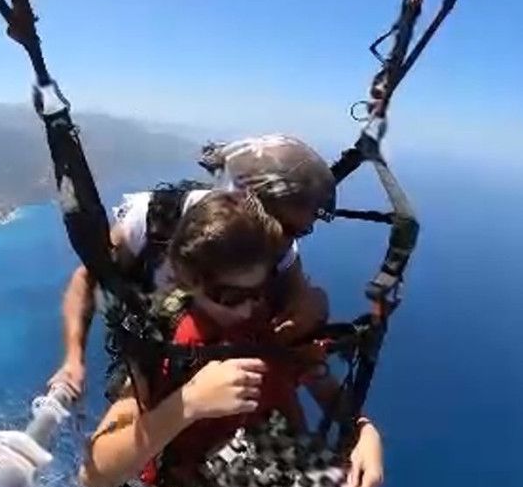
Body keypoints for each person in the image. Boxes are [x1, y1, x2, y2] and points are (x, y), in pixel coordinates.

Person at [79, 191, 412, 487]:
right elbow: (94, 473)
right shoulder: (163, 347)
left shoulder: (274, 327)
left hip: (278, 465)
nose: (246, 308)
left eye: (256, 293)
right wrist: (190, 403)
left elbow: (333, 398)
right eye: (228, 295)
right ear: (187, 280)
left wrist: (365, 434)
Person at [50, 135, 338, 401]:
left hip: (212, 364)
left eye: (299, 233)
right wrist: (73, 359)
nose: (286, 241)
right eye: (286, 227)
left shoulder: (278, 250)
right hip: (152, 358)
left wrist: (313, 305)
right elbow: (88, 278)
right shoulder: (152, 220)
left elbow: (302, 309)